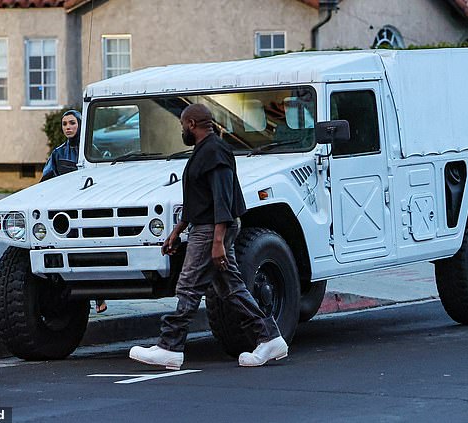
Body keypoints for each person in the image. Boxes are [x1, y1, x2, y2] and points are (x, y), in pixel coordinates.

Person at [129, 104, 287, 369]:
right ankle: (269, 338)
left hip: (212, 229)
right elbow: (199, 198)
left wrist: (217, 242)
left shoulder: (214, 151)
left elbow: (222, 198)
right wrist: (178, 230)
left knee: (188, 286)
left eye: (182, 125)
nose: (182, 130)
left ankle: (170, 346)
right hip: (206, 226)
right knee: (231, 288)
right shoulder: (205, 151)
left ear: (191, 124)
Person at [41, 109, 107, 314]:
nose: (68, 127)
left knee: (93, 252)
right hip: (65, 211)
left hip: (89, 208)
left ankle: (99, 296)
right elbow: (46, 179)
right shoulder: (58, 153)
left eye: (72, 123)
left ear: (81, 125)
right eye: (64, 124)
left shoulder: (92, 150)